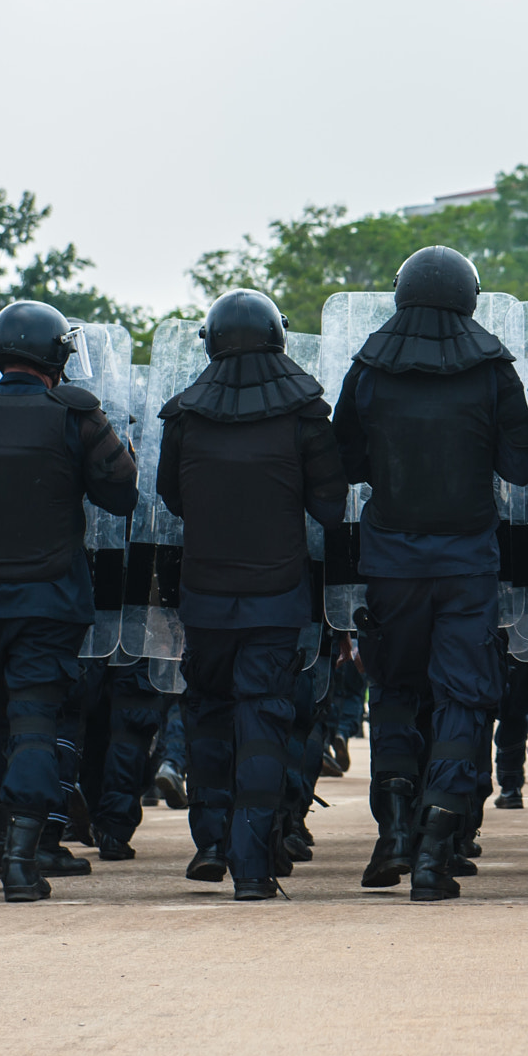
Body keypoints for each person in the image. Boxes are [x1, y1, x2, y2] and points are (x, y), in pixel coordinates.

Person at [330, 245, 528, 902]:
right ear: (470, 296)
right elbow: (521, 466)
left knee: (392, 689)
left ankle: (392, 833)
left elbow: (347, 461)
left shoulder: (368, 364)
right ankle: (433, 850)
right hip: (468, 560)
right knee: (463, 696)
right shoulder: (493, 366)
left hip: (391, 557)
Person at [0, 301, 139, 902]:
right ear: (57, 357)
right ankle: (22, 860)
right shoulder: (73, 414)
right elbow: (122, 497)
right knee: (33, 725)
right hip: (49, 599)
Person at [158, 289, 345, 900]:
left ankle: (210, 842)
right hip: (276, 593)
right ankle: (255, 869)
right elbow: (330, 505)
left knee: (208, 716)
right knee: (263, 720)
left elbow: (172, 500)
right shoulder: (305, 415)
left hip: (205, 594)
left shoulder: (184, 417)